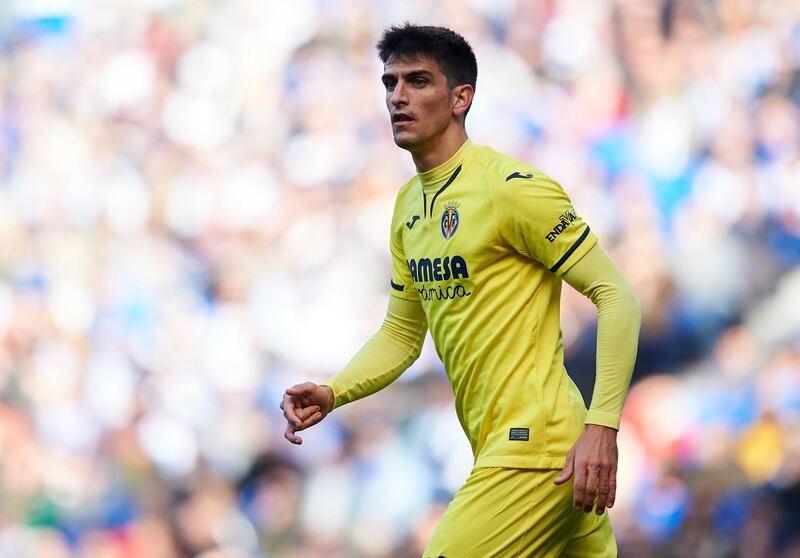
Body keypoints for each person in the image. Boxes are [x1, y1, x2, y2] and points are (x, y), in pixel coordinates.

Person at [280, 23, 641, 557]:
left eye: (418, 81)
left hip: (535, 449)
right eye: (391, 82)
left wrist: (603, 427)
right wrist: (336, 391)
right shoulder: (408, 207)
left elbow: (618, 297)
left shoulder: (509, 188)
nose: (398, 96)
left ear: (460, 99)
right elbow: (402, 335)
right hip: (510, 448)